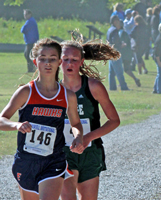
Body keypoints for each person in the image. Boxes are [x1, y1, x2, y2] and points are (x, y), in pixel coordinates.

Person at [0, 38, 84, 200]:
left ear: (59, 62)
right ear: (35, 61)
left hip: (54, 161)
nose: (47, 63)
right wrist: (16, 125)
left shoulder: (67, 96)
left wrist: (78, 136)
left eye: (52, 59)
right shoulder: (25, 92)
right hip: (26, 161)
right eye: (43, 58)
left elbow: (75, 123)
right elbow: (2, 119)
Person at [59, 34, 120, 200]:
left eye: (74, 59)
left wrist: (88, 138)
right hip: (64, 152)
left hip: (90, 151)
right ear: (58, 61)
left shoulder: (93, 87)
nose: (70, 63)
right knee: (68, 196)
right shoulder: (53, 90)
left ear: (82, 62)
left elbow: (114, 120)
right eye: (65, 59)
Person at [107, 15, 129, 91]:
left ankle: (112, 87)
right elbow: (114, 42)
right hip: (115, 52)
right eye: (118, 21)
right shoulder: (115, 30)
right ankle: (124, 87)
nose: (119, 22)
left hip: (110, 52)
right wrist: (121, 45)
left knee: (112, 72)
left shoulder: (110, 29)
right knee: (119, 71)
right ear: (115, 21)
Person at [119, 21, 141, 87]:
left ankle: (122, 82)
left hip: (124, 54)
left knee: (121, 69)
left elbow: (123, 43)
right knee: (126, 69)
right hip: (127, 54)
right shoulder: (124, 33)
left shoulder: (121, 33)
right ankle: (135, 79)